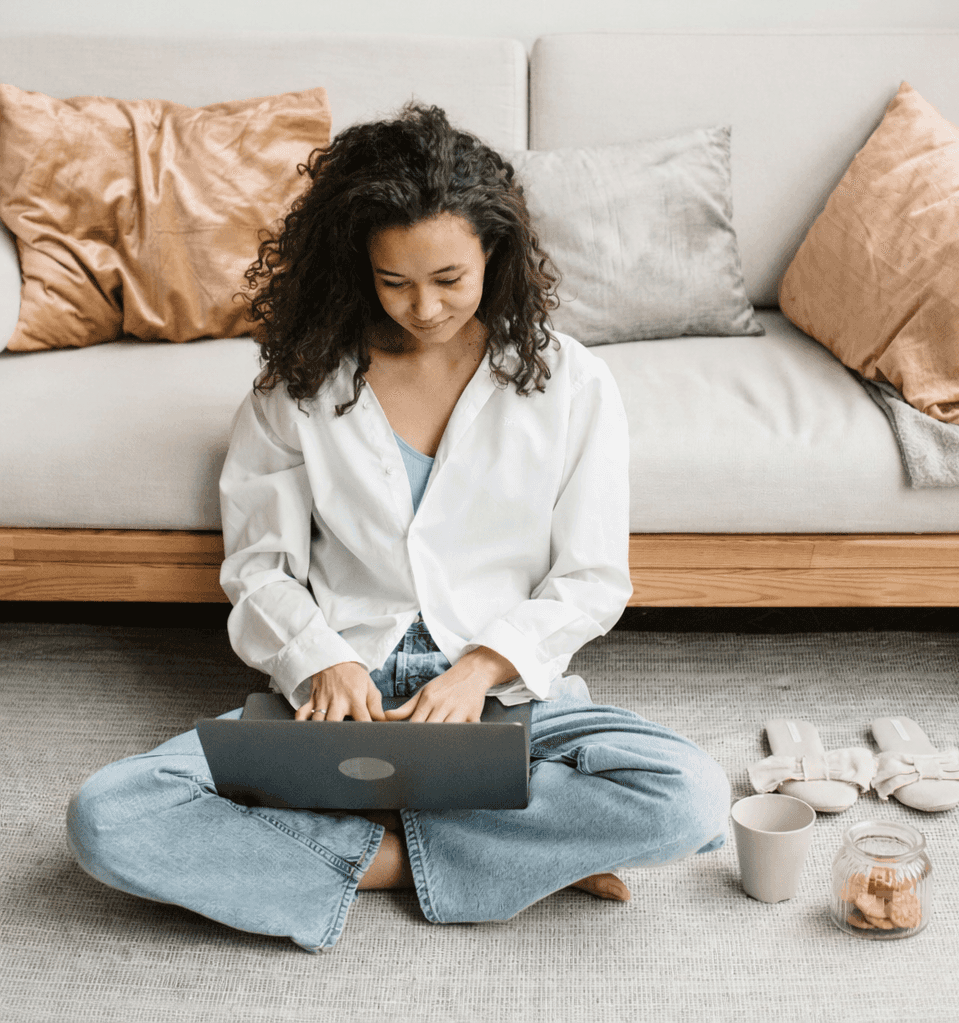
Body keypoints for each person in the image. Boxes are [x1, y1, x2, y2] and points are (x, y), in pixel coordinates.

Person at [67, 101, 730, 952]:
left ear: (495, 253)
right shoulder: (297, 385)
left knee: (691, 796)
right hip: (337, 703)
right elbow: (260, 568)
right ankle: (494, 859)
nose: (424, 308)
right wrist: (324, 661)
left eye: (450, 279)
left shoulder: (574, 385)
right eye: (395, 281)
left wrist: (481, 670)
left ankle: (357, 852)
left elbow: (591, 577)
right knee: (107, 817)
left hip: (506, 700)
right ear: (357, 267)